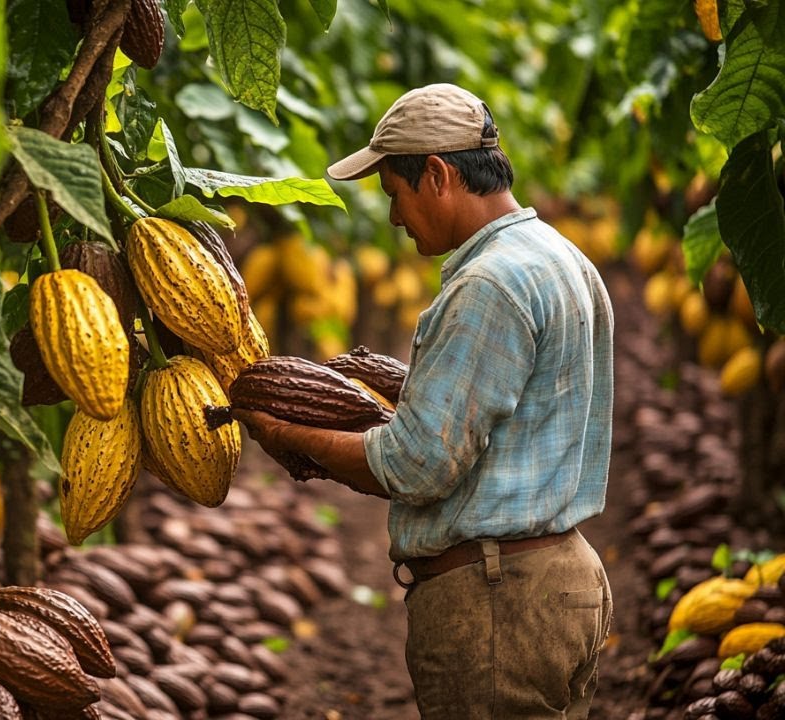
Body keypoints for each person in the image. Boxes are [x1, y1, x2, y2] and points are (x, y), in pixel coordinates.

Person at [233, 83, 615, 719]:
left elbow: (418, 464)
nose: (393, 218)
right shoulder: (563, 259)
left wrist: (292, 438)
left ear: (437, 174)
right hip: (564, 582)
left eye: (395, 194)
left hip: (500, 605)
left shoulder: (489, 285)